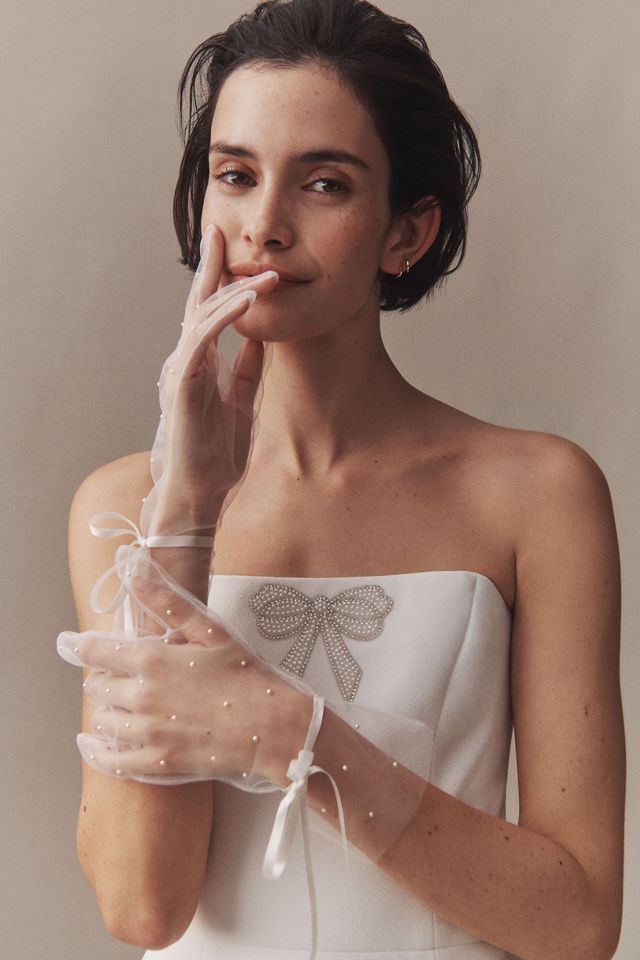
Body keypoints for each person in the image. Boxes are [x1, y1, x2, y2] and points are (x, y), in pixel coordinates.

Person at [61, 1, 625, 959]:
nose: (264, 227)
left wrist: (299, 738)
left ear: (407, 232)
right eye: (236, 176)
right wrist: (184, 511)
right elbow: (142, 909)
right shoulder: (120, 508)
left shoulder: (536, 495)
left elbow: (577, 922)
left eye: (324, 184)